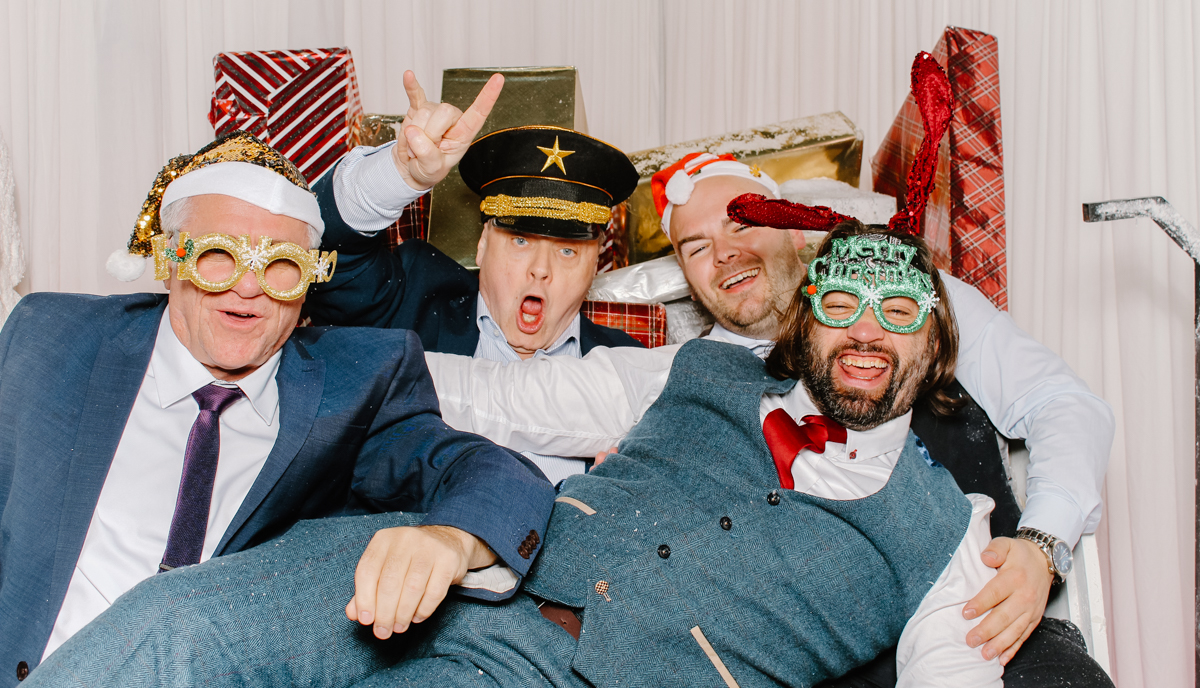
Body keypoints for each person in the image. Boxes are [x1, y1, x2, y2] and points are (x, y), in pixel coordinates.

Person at [29, 223, 1004, 688]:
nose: (865, 328)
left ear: (937, 342)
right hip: (462, 557)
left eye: (898, 310)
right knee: (172, 627)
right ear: (806, 321)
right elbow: (503, 400)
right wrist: (295, 352)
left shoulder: (944, 535)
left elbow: (954, 676)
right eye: (841, 303)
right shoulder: (695, 364)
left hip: (572, 680)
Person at [424, 161, 1114, 678]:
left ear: (795, 228)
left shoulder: (904, 292)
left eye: (741, 220)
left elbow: (1063, 403)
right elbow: (510, 400)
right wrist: (342, 364)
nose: (722, 251)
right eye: (694, 247)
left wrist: (1041, 544)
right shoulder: (693, 368)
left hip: (973, 603)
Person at [0, 132, 554, 686]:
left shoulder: (358, 382)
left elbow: (493, 473)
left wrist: (450, 540)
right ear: (169, 258)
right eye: (218, 255)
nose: (249, 288)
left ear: (310, 278)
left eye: (281, 265)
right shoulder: (53, 337)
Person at [304, 72, 643, 484]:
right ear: (483, 244)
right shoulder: (415, 298)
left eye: (568, 249)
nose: (541, 268)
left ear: (596, 263)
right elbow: (324, 260)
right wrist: (398, 174)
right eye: (520, 240)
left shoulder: (628, 365)